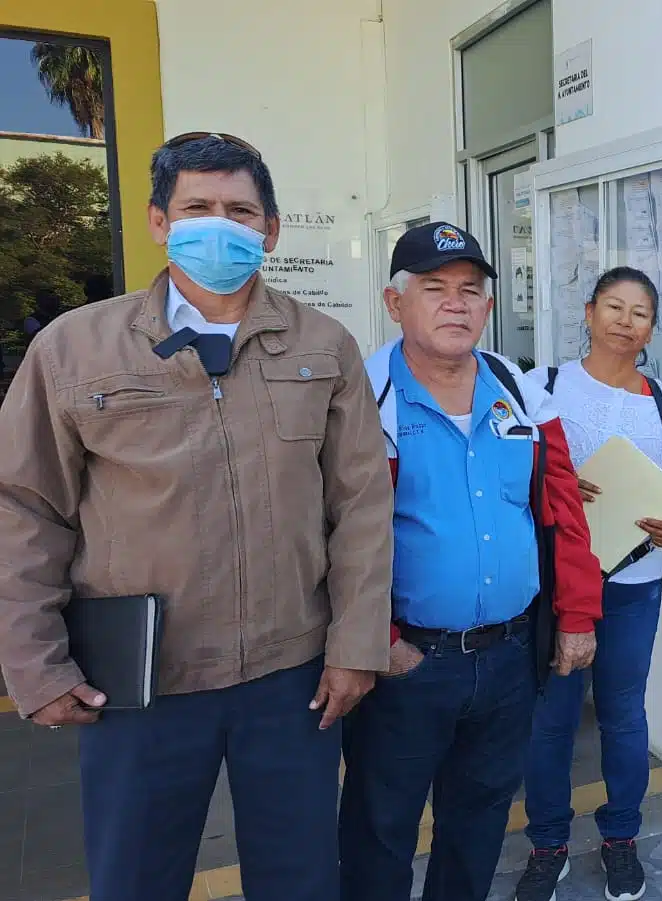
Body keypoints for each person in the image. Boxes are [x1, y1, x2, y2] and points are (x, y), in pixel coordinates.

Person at [0, 132, 394, 901]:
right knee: (137, 879)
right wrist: (36, 665)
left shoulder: (323, 346)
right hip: (141, 685)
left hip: (292, 680)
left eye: (240, 210)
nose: (221, 224)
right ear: (159, 221)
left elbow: (361, 504)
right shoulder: (74, 349)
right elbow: (24, 507)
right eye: (198, 208)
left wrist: (356, 644)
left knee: (301, 880)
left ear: (271, 230)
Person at [338, 222, 602, 901]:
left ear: (488, 306)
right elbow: (325, 533)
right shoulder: (361, 399)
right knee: (380, 829)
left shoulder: (518, 388)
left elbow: (563, 507)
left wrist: (576, 614)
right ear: (395, 304)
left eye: (470, 291)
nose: (456, 304)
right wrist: (381, 641)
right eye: (435, 289)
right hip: (406, 668)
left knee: (478, 822)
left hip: (510, 658)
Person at [517, 267, 662, 901]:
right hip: (558, 580)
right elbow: (506, 463)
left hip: (634, 581)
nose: (626, 322)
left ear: (653, 327)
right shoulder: (542, 387)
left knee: (624, 716)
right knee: (552, 718)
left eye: (641, 313)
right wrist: (552, 481)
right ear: (589, 312)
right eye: (615, 308)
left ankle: (621, 837)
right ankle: (547, 844)